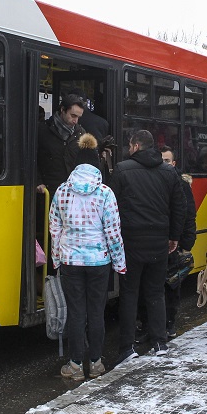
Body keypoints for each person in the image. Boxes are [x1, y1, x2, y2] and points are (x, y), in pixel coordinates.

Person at [49, 133, 126, 382]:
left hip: (71, 262)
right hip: (99, 263)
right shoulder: (105, 193)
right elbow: (113, 232)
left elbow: (55, 229)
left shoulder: (61, 191)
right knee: (96, 312)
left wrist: (57, 258)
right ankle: (95, 363)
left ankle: (74, 365)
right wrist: (120, 263)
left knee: (76, 313)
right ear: (96, 165)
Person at [110, 130, 186, 363]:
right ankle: (159, 341)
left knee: (130, 293)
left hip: (130, 242)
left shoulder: (122, 170)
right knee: (155, 292)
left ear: (134, 145)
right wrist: (173, 236)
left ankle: (127, 347)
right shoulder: (169, 172)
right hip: (159, 242)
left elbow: (112, 207)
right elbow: (179, 207)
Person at [136, 146, 196, 342]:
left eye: (168, 161)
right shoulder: (152, 181)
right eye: (161, 160)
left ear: (174, 163)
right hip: (156, 242)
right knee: (150, 288)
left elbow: (189, 216)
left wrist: (186, 243)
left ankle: (169, 324)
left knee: (171, 287)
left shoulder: (181, 184)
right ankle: (149, 326)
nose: (164, 164)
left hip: (173, 244)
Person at [36, 93, 87, 195]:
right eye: (73, 115)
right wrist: (37, 181)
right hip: (48, 192)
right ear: (62, 110)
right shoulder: (42, 130)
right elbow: (32, 159)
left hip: (73, 193)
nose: (75, 121)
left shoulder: (81, 133)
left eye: (78, 117)